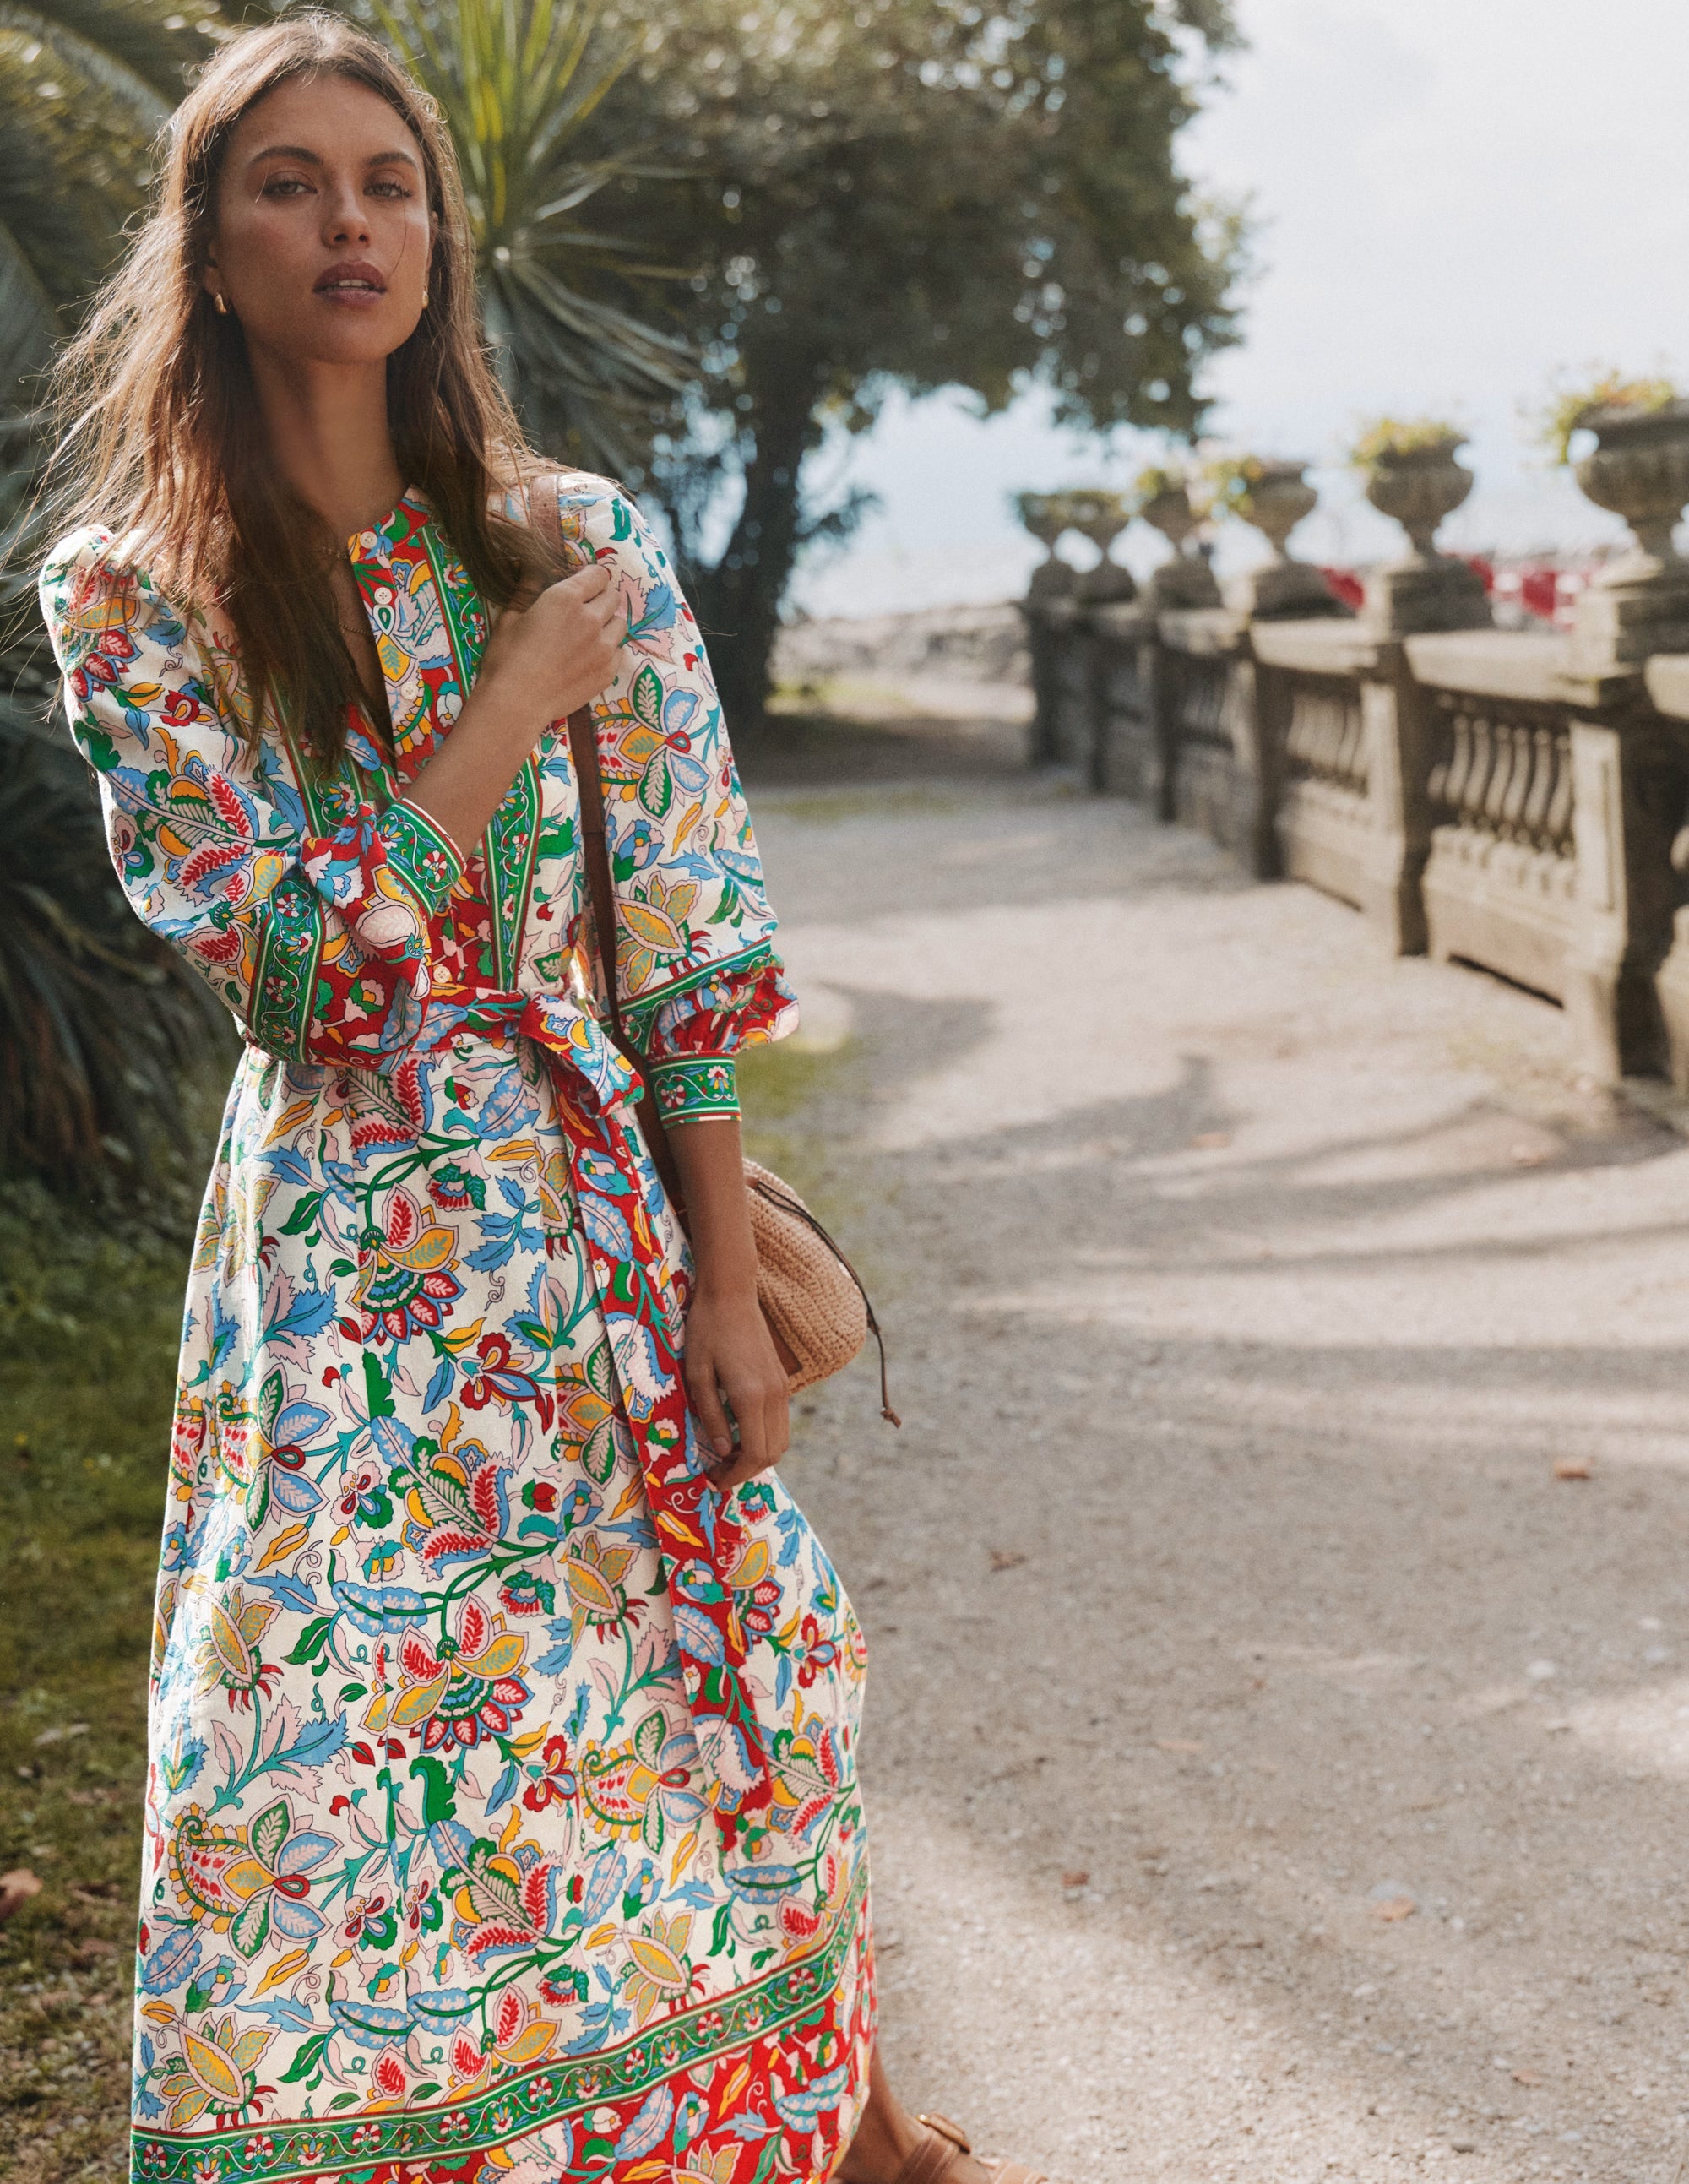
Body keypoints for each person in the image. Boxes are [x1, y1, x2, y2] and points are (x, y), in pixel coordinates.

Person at [38, 17, 1047, 2184]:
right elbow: (295, 977)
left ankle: (836, 2135)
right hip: (343, 1272)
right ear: (210, 251)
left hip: (593, 1224)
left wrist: (724, 1279)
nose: (349, 222)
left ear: (437, 241)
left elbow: (683, 942)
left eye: (388, 184)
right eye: (290, 184)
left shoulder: (574, 539)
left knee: (712, 1676)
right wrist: (505, 705)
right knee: (338, 1757)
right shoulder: (132, 597)